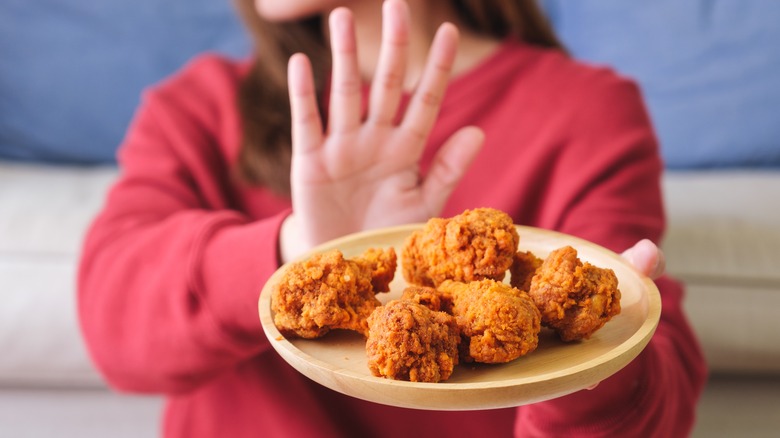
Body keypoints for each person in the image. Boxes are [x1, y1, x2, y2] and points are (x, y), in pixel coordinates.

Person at [77, 0, 707, 436]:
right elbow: (111, 329)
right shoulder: (197, 106)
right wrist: (304, 251)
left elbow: (656, 406)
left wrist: (601, 363)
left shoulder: (587, 113)